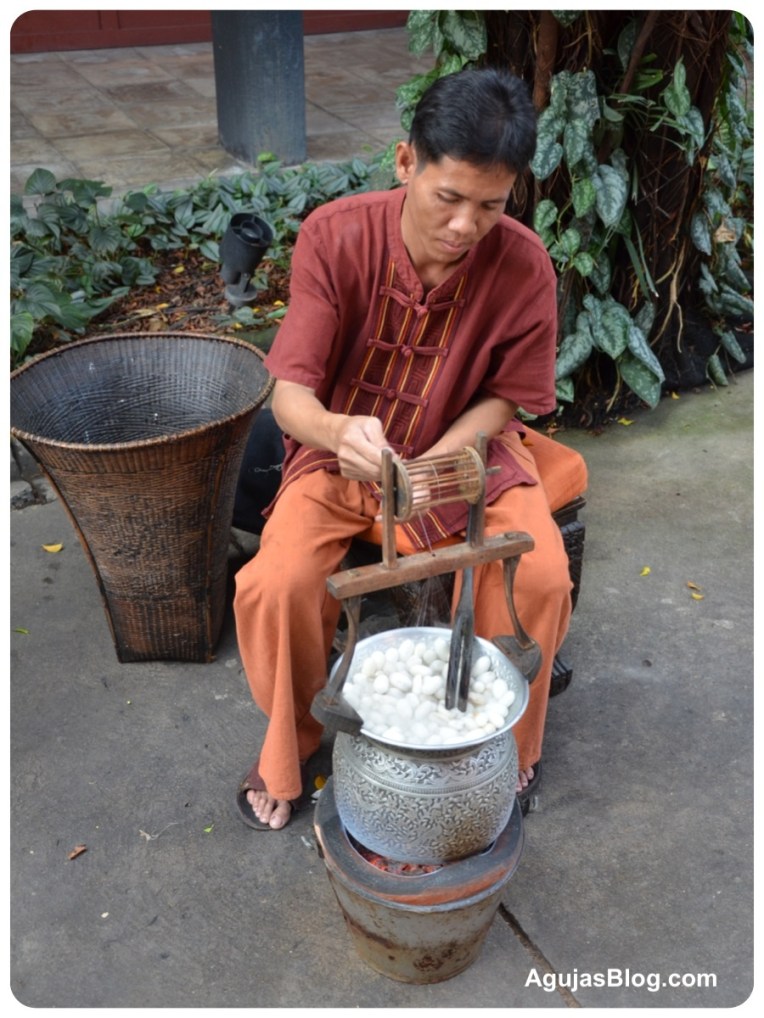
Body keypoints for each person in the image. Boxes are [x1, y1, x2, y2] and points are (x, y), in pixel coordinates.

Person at [233, 66, 585, 830]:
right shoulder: (335, 236)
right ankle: (293, 744)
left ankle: (502, 753)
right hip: (343, 454)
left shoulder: (524, 266)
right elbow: (290, 396)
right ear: (405, 163)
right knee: (277, 581)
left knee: (541, 577)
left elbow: (507, 399)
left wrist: (444, 459)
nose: (465, 226)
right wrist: (338, 432)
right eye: (447, 198)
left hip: (467, 458)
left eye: (489, 206)